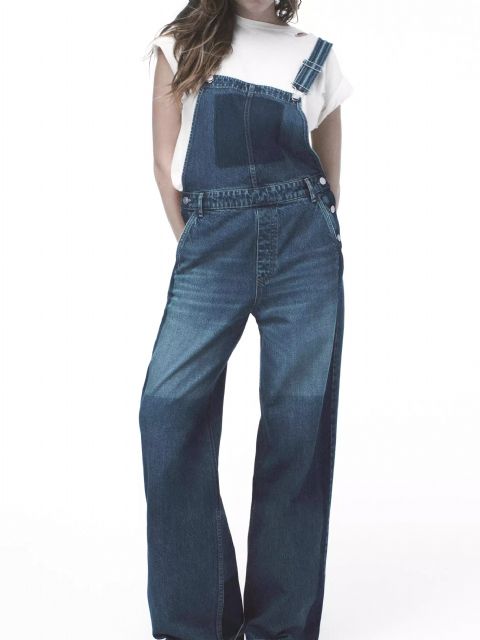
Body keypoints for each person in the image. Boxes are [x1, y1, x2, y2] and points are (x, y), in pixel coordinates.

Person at [139, 1, 353, 639]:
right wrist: (197, 242)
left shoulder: (315, 54)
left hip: (304, 247)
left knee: (297, 430)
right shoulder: (181, 44)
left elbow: (329, 170)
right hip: (212, 242)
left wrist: (312, 230)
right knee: (166, 409)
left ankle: (279, 629)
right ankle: (197, 624)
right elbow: (164, 164)